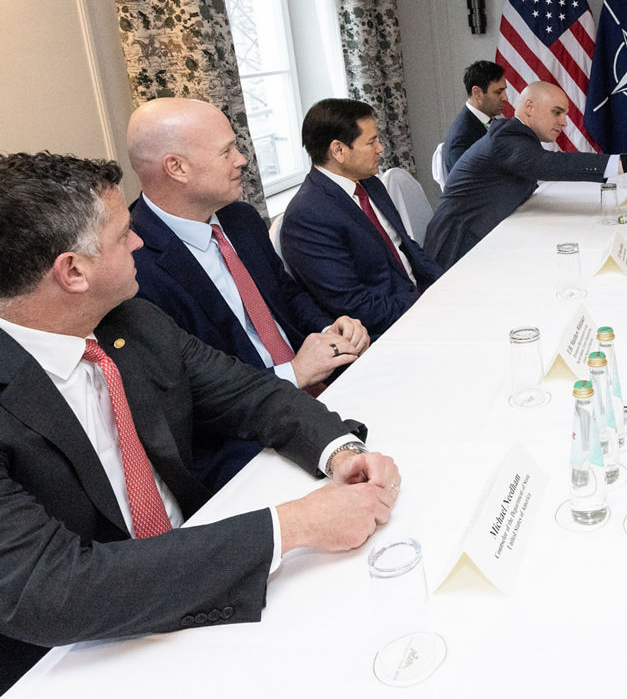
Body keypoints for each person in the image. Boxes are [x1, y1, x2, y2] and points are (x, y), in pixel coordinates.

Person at [0, 152, 400, 691]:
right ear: (73, 271)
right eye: (123, 236)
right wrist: (294, 525)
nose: (141, 241)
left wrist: (340, 453)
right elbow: (52, 588)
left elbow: (251, 394)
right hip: (78, 656)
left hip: (201, 568)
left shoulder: (131, 320)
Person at [126, 98, 371, 489]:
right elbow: (184, 400)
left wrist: (330, 329)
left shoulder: (239, 218)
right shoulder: (134, 266)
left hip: (324, 390)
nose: (242, 160)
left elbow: (287, 295)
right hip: (245, 442)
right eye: (227, 151)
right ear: (177, 168)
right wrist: (292, 374)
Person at [423, 81, 627, 269]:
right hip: (458, 247)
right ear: (530, 107)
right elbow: (550, 164)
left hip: (484, 235)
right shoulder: (506, 137)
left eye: (565, 114)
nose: (564, 122)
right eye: (557, 112)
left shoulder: (518, 135)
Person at [281, 98, 445, 339]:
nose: (380, 148)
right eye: (371, 142)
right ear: (338, 150)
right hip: (391, 331)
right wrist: (426, 310)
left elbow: (407, 247)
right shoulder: (308, 216)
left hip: (421, 304)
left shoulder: (370, 183)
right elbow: (355, 306)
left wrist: (448, 283)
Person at [443, 60, 507, 178]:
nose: (505, 98)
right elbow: (468, 187)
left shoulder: (496, 122)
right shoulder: (461, 138)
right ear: (477, 93)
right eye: (498, 92)